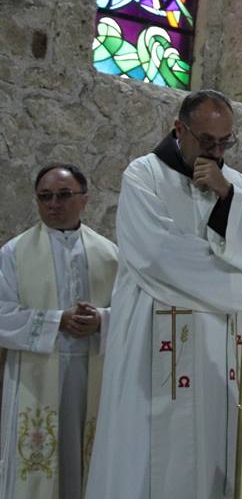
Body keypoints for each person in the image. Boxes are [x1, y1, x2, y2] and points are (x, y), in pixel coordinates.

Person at [85, 90, 242, 499]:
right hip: (151, 345)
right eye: (206, 140)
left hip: (216, 351)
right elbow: (160, 257)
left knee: (215, 449)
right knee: (148, 459)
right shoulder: (143, 175)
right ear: (179, 129)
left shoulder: (238, 184)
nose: (215, 151)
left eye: (224, 142)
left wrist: (228, 195)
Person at [0, 164, 118, 499]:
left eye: (64, 195)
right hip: (35, 375)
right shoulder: (13, 254)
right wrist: (56, 321)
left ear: (84, 200)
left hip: (91, 367)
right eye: (45, 197)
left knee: (87, 460)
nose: (53, 203)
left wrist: (102, 320)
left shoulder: (111, 255)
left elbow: (132, 313)